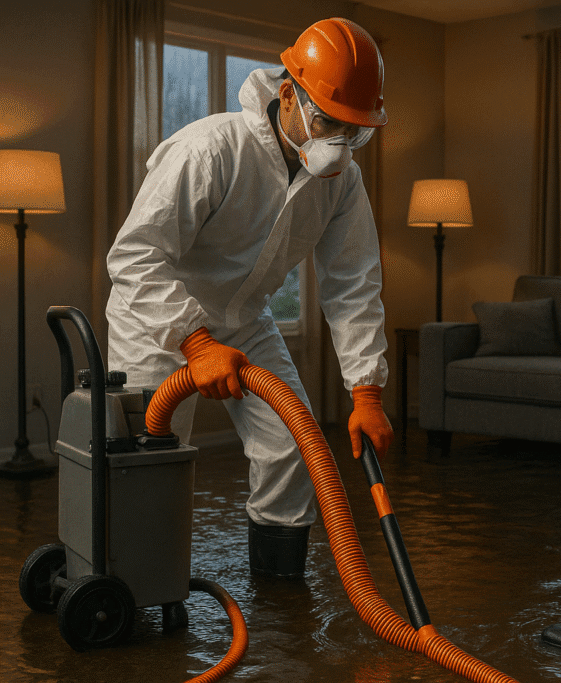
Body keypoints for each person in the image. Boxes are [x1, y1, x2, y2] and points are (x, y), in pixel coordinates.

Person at [106, 18, 394, 579]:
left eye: (353, 131)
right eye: (328, 122)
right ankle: (133, 590)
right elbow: (135, 256)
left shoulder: (343, 182)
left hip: (244, 322)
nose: (338, 143)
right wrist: (193, 341)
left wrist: (367, 391)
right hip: (159, 323)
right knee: (149, 464)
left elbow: (353, 280)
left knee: (292, 444)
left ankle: (279, 599)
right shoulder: (211, 149)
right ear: (289, 94)